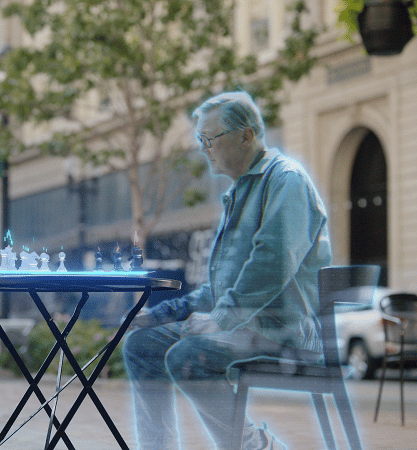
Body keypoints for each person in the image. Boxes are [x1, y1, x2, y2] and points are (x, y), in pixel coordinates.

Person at [123, 91, 332, 450]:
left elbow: (273, 262)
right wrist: (161, 313)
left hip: (283, 330)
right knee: (141, 344)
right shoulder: (242, 192)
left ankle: (254, 446)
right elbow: (218, 288)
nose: (204, 148)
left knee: (187, 356)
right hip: (247, 325)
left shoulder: (287, 180)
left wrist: (221, 318)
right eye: (200, 140)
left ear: (246, 135)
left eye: (209, 138)